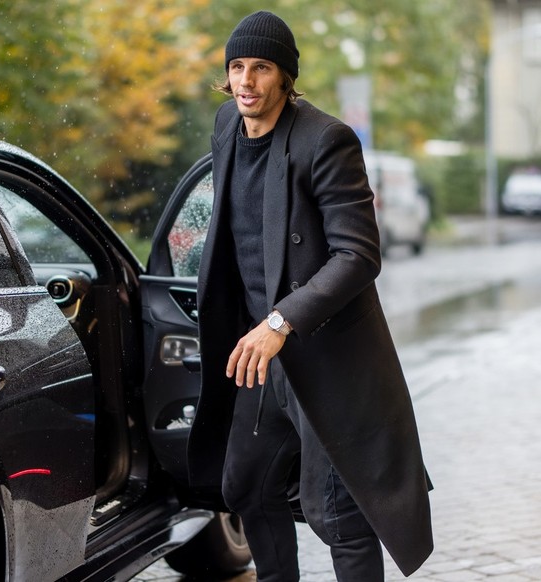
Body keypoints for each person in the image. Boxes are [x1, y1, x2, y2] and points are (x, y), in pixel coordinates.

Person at [185, 10, 433, 582]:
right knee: (246, 486)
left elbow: (358, 255)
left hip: (319, 356)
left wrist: (280, 321)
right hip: (259, 356)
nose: (246, 81)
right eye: (237, 67)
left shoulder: (326, 141)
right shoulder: (226, 125)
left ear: (286, 77)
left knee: (339, 515)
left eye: (262, 68)